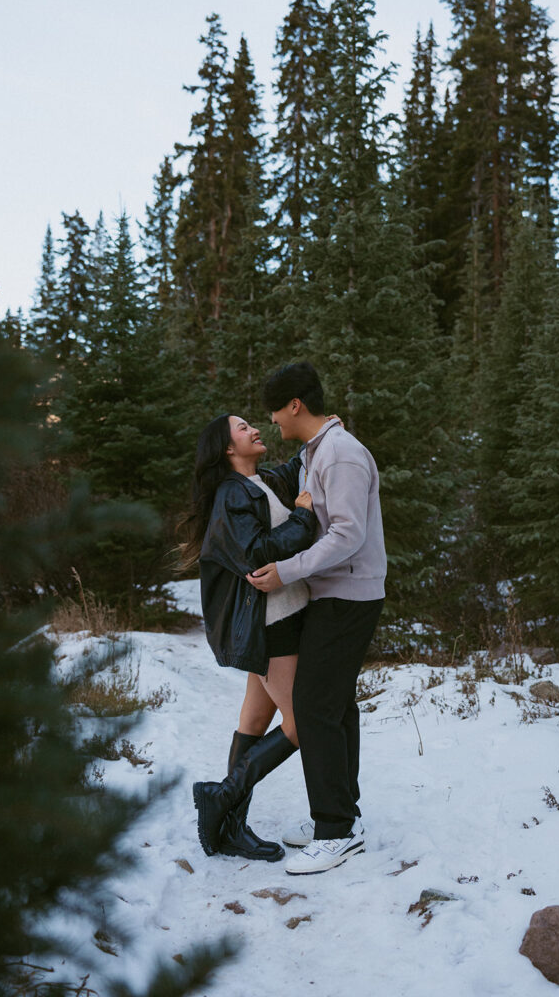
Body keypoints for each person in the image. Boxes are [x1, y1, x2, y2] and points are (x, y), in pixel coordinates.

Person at [247, 362, 387, 875]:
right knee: (332, 702)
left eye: (275, 415)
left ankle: (336, 830)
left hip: (349, 594)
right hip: (333, 592)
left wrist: (287, 570)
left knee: (313, 704)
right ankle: (340, 812)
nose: (274, 425)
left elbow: (348, 534)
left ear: (295, 406)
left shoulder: (342, 455)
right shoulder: (314, 453)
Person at [178, 413, 317, 863]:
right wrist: (303, 518)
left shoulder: (258, 482)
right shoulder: (230, 494)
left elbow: (294, 466)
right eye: (242, 428)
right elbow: (256, 553)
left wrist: (322, 432)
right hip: (272, 625)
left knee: (253, 725)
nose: (254, 428)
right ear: (226, 448)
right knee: (301, 726)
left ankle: (231, 827)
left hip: (278, 618)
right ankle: (221, 796)